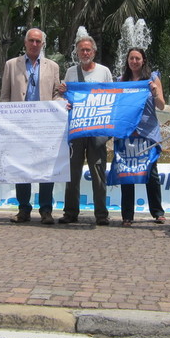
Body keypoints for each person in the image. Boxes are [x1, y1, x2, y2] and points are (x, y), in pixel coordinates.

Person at [1, 28, 62, 224]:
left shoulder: (53, 67)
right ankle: (23, 209)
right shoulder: (11, 65)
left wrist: (60, 104)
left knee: (46, 168)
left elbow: (56, 94)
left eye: (38, 41)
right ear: (25, 43)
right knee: (21, 168)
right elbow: (4, 96)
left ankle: (46, 209)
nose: (35, 44)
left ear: (43, 44)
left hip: (45, 126)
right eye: (31, 41)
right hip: (19, 126)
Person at [58, 36, 113, 226]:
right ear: (77, 52)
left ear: (94, 52)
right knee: (72, 171)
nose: (85, 53)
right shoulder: (71, 72)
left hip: (97, 129)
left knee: (98, 170)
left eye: (88, 50)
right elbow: (65, 98)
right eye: (81, 50)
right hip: (77, 129)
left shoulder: (104, 72)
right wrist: (62, 92)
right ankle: (70, 212)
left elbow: (111, 98)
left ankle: (101, 214)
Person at [117, 47, 166, 227]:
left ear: (143, 60)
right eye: (131, 58)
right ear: (127, 61)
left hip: (148, 133)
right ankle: (127, 215)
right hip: (128, 133)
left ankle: (158, 212)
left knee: (151, 174)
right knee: (127, 173)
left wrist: (154, 92)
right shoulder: (121, 81)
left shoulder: (152, 78)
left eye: (138, 58)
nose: (134, 61)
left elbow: (161, 105)